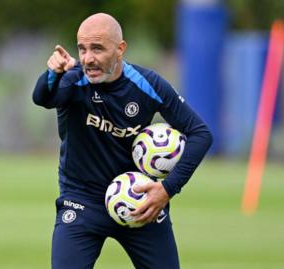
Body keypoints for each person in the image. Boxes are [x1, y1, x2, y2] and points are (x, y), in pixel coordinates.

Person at [32, 13, 212, 269]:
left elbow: (200, 133)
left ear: (120, 49)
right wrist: (52, 73)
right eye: (82, 49)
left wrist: (167, 189)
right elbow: (42, 98)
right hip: (82, 201)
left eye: (97, 48)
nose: (87, 58)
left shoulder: (147, 84)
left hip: (140, 201)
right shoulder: (74, 80)